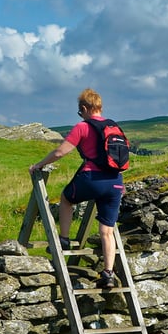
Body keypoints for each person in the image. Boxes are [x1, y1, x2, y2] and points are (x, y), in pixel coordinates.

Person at [29, 88, 125, 289]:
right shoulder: (114, 126)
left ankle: (63, 239)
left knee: (66, 199)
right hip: (116, 182)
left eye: (79, 112)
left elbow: (61, 151)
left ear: (84, 108)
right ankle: (108, 273)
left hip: (92, 178)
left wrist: (39, 165)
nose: (80, 115)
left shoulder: (83, 127)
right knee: (107, 231)